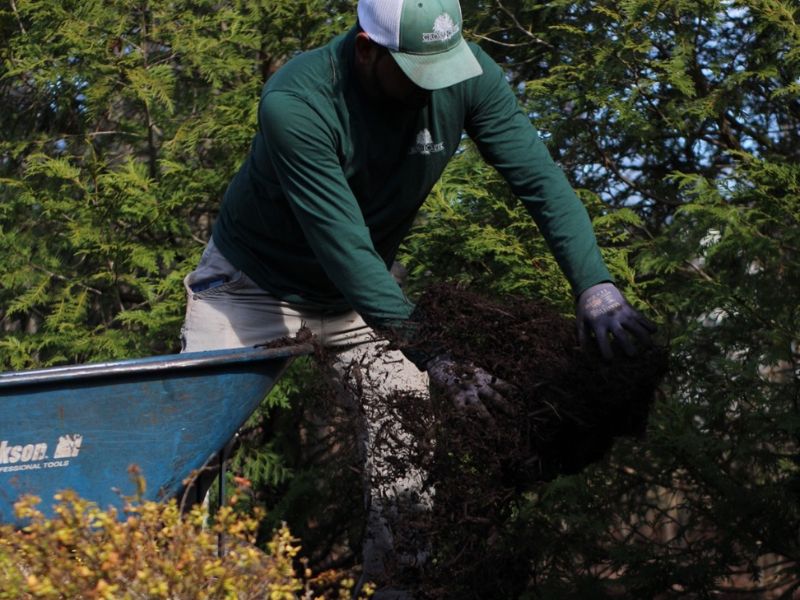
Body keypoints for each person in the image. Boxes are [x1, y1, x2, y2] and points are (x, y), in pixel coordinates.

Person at [180, 0, 655, 595]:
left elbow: (538, 178)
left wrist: (595, 284)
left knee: (405, 428)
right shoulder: (296, 104)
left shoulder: (467, 75)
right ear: (365, 49)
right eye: (415, 73)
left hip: (361, 302)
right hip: (249, 289)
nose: (433, 88)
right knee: (192, 443)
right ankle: (166, 577)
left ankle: (398, 588)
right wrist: (437, 354)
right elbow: (346, 248)